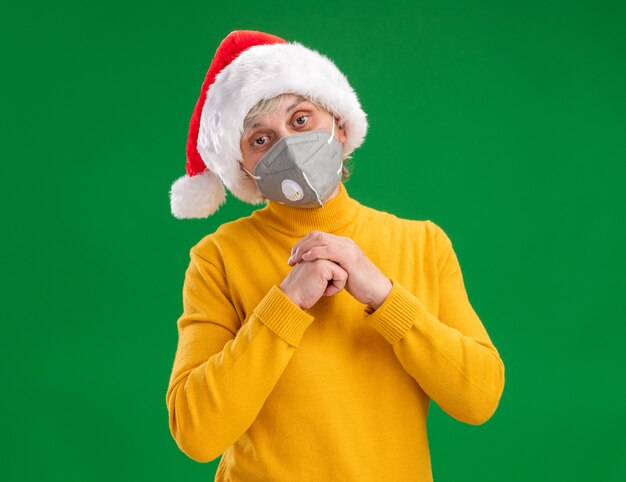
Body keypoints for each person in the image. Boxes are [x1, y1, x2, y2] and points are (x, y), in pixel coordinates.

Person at [165, 30, 505, 482]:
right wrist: (283, 306)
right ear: (243, 168)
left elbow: (479, 397)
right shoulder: (218, 258)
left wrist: (386, 297)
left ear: (341, 126)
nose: (286, 143)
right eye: (260, 140)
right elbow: (197, 433)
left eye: (301, 120)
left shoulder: (422, 244)